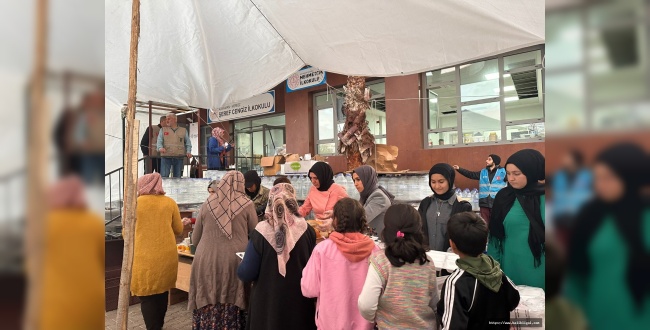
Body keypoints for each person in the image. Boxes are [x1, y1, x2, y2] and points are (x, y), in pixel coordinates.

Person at [565, 143, 650, 330]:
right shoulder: (591, 215)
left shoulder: (646, 215)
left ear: (631, 177)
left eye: (609, 177)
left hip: (642, 314)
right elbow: (576, 272)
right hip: (599, 312)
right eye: (597, 177)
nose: (600, 185)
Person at [237, 183, 317, 330]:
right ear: (293, 201)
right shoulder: (308, 230)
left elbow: (246, 272)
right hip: (300, 307)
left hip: (267, 308)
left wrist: (240, 264)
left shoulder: (261, 232)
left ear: (271, 201)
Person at [188, 171, 258, 330]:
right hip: (235, 260)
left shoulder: (208, 202)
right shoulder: (246, 203)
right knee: (231, 299)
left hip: (204, 259)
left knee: (208, 299)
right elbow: (255, 234)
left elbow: (195, 239)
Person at [301, 198, 378, 330]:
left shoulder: (322, 250)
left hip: (330, 323)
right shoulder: (375, 250)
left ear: (335, 220)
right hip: (366, 324)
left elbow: (309, 289)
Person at [39, 176, 104, 329]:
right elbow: (102, 257)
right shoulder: (93, 221)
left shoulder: (43, 224)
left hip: (55, 298)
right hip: (90, 297)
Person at [358, 204, 438, 329]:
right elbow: (434, 304)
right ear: (418, 230)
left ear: (386, 230)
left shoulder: (380, 261)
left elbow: (366, 305)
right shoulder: (427, 262)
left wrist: (379, 318)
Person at [438, 212, 520, 330]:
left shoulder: (456, 282)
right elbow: (514, 298)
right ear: (485, 241)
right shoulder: (496, 270)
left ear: (452, 245)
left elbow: (451, 326)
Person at [131, 173, 184, 329]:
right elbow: (179, 229)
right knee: (162, 294)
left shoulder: (134, 204)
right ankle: (158, 326)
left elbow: (126, 233)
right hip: (166, 258)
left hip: (143, 259)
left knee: (147, 298)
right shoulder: (169, 203)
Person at [487, 149, 545, 289]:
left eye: (516, 174)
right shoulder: (504, 198)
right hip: (511, 267)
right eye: (508, 173)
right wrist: (493, 271)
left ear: (531, 172)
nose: (510, 178)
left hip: (542, 270)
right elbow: (495, 237)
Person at [418, 163, 472, 251]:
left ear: (450, 180)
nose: (436, 186)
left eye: (441, 182)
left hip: (450, 259)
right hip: (427, 258)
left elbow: (465, 239)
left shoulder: (462, 206)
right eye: (433, 182)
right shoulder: (425, 203)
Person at [550, 149, 592, 246]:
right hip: (561, 217)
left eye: (567, 157)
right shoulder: (559, 175)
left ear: (575, 160)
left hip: (581, 217)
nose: (564, 160)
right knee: (563, 246)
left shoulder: (588, 175)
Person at [453, 154, 507, 224]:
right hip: (484, 202)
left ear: (495, 162)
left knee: (497, 224)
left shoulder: (503, 172)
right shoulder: (483, 172)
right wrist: (459, 169)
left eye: (489, 159)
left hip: (497, 202)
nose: (486, 161)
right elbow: (470, 174)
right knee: (484, 224)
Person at [351, 165, 394, 235]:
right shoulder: (366, 196)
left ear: (367, 179)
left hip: (380, 241)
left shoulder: (378, 197)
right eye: (354, 180)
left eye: (358, 179)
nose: (355, 184)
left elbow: (361, 219)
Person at [157, 113, 192, 178]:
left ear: (175, 120)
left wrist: (188, 152)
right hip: (166, 157)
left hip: (179, 157)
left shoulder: (183, 130)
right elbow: (159, 141)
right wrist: (160, 148)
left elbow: (188, 143)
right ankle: (165, 188)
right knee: (164, 177)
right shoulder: (162, 130)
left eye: (169, 119)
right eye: (166, 119)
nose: (167, 120)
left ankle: (176, 188)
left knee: (177, 178)